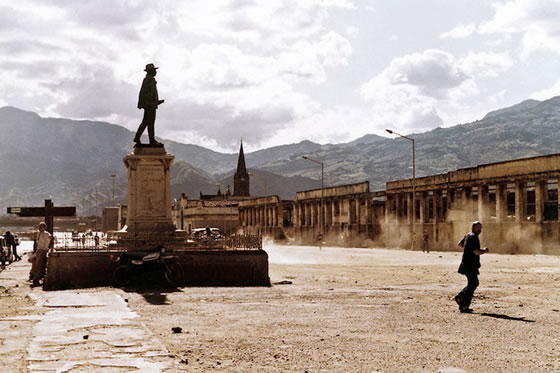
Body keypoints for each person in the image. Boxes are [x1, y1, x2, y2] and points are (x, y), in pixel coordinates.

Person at [454, 221, 489, 313]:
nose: (480, 230)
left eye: (480, 228)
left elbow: (460, 244)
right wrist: (484, 251)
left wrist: (467, 249)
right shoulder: (473, 237)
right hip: (470, 265)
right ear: (473, 228)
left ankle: (461, 297)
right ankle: (464, 304)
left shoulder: (468, 235)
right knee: (473, 283)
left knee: (473, 283)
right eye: (478, 228)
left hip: (467, 264)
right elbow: (476, 251)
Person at [133, 63, 165, 146]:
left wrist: (157, 102)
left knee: (148, 122)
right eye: (154, 70)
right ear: (151, 71)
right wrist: (150, 103)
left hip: (151, 105)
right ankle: (150, 140)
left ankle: (143, 138)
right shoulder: (148, 80)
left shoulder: (150, 80)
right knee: (148, 122)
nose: (155, 72)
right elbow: (145, 94)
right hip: (150, 106)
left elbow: (149, 94)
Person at [30, 222, 52, 287]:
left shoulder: (46, 234)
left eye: (41, 227)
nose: (39, 228)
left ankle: (36, 278)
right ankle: (36, 278)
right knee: (37, 265)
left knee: (40, 265)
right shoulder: (39, 234)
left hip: (43, 250)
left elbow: (50, 238)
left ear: (44, 227)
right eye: (39, 227)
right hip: (39, 250)